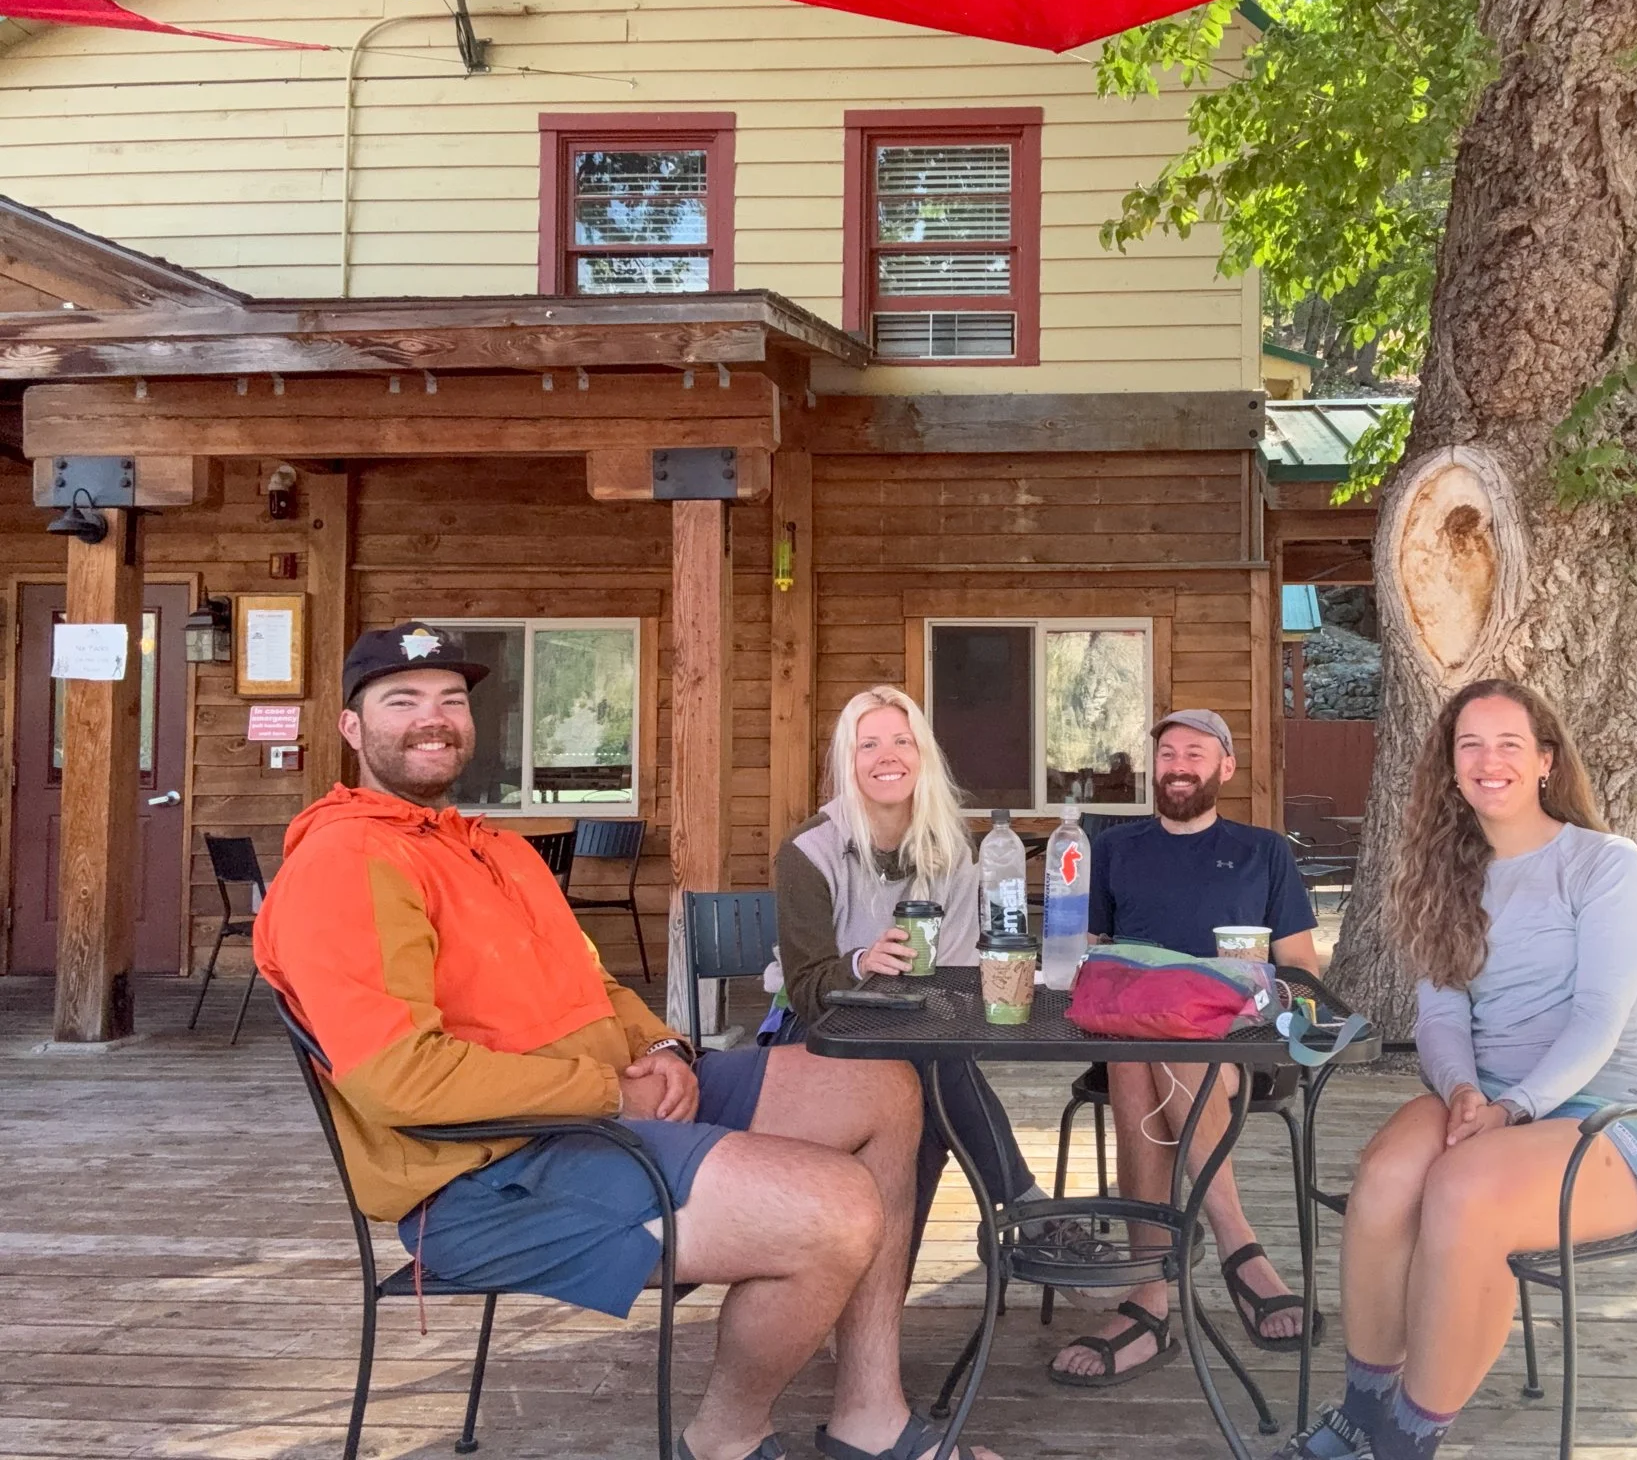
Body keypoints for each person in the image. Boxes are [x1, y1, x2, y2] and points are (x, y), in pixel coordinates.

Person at [255, 624, 996, 1460]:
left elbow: (596, 984)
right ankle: (724, 1440)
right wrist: (612, 1092)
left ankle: (870, 1414)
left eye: (450, 700)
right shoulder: (346, 861)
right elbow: (398, 1078)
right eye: (403, 701)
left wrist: (667, 1050)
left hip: (599, 1113)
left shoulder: (495, 850)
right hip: (487, 1173)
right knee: (834, 1212)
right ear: (352, 728)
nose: (434, 718)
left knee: (882, 1085)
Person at [1273, 678, 1637, 1460]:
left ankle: (1407, 1443)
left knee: (1460, 1191)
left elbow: (1598, 1020)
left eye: (1509, 744)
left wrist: (1513, 1107)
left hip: (1607, 1123)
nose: (1490, 762)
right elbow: (1441, 1018)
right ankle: (1363, 1415)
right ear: (1450, 765)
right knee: (1387, 1174)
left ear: (1546, 761)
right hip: (1482, 1104)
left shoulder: (1603, 864)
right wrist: (1462, 1090)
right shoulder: (1444, 873)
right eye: (1471, 745)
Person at [770, 685, 1089, 1268]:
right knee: (932, 1072)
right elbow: (808, 992)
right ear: (848, 760)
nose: (887, 756)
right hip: (819, 1033)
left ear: (923, 754)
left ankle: (881, 1291)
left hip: (920, 1031)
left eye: (902, 740)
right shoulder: (807, 851)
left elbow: (958, 979)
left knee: (926, 1085)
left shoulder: (953, 847)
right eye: (868, 744)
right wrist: (863, 963)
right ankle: (1025, 1208)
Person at [1050, 709, 1320, 1388]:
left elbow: (1301, 968)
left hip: (1239, 1042)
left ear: (1225, 767)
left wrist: (1255, 1001)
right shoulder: (1115, 848)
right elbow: (1089, 954)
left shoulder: (1264, 851)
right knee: (1142, 1052)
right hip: (1132, 1036)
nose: (1178, 766)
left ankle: (1154, 1296)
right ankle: (1230, 1255)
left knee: (1163, 1048)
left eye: (1195, 753)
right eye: (1167, 753)